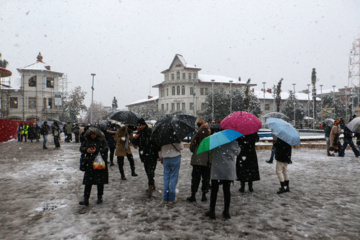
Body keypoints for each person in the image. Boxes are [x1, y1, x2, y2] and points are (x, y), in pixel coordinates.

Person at [205, 140, 240, 220]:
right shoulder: (232, 141)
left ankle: (212, 211)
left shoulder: (215, 141)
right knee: (227, 191)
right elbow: (237, 152)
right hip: (227, 168)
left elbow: (211, 153)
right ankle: (226, 211)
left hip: (217, 168)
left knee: (214, 191)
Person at [79, 127, 109, 206]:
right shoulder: (87, 140)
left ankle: (99, 197)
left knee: (100, 181)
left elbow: (105, 148)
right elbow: (81, 148)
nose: (93, 136)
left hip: (98, 162)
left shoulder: (101, 140)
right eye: (91, 134)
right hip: (89, 163)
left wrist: (97, 150)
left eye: (94, 134)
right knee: (88, 182)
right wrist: (86, 150)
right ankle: (86, 198)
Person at [132, 118, 160, 197]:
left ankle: (150, 185)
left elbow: (156, 143)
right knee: (148, 170)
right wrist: (134, 139)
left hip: (152, 154)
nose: (140, 127)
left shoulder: (150, 132)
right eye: (139, 125)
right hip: (144, 155)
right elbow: (135, 143)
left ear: (144, 124)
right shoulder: (139, 133)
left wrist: (158, 154)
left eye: (141, 125)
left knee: (151, 170)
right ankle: (152, 183)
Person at [187, 119, 211, 203]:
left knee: (195, 179)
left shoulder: (196, 137)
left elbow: (191, 148)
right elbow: (212, 152)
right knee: (205, 179)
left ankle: (193, 195)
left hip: (197, 162)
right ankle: (204, 195)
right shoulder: (210, 139)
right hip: (206, 162)